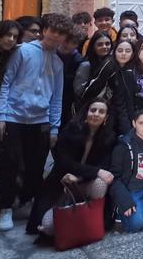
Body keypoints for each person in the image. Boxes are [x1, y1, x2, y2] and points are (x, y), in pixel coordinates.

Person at [0, 13, 72, 232]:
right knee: (9, 163)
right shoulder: (23, 51)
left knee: (36, 166)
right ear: (45, 30)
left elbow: (56, 97)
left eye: (61, 33)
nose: (55, 36)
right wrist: (1, 116)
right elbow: (6, 82)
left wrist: (54, 127)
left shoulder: (57, 62)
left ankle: (26, 199)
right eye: (53, 31)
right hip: (13, 117)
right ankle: (6, 207)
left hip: (41, 121)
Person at [26, 98, 115, 236]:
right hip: (62, 183)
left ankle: (87, 217)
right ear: (86, 112)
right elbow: (63, 161)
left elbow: (104, 165)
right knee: (48, 226)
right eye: (93, 110)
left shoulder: (109, 137)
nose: (96, 114)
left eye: (101, 112)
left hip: (84, 184)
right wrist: (96, 171)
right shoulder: (72, 129)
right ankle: (73, 221)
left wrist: (80, 177)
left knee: (100, 184)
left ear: (106, 117)